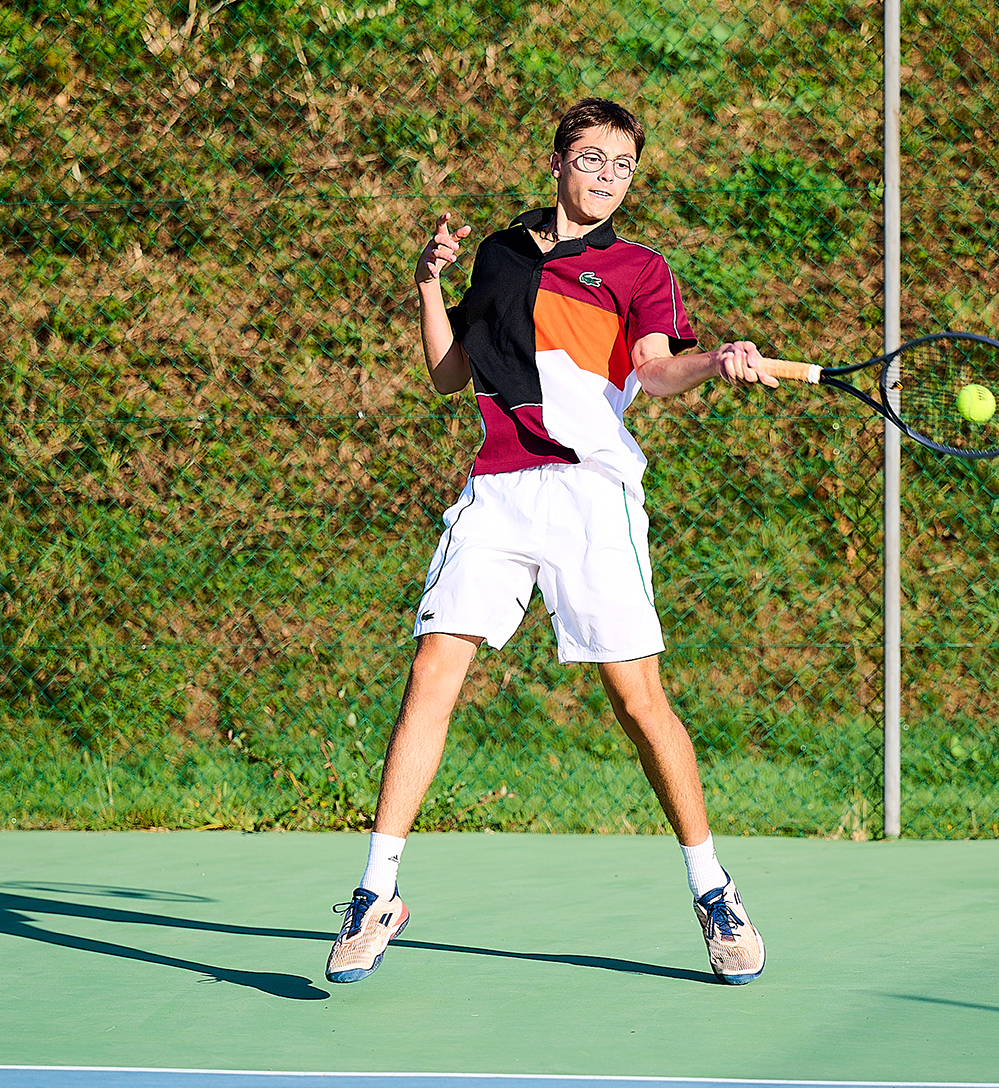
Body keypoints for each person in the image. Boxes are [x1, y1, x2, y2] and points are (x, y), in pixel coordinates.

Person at [325, 97, 777, 987]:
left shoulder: (638, 267)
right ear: (558, 164)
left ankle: (714, 890)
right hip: (496, 490)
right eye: (593, 158)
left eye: (623, 165)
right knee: (430, 675)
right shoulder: (498, 255)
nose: (609, 176)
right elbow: (450, 374)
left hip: (591, 494)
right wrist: (427, 283)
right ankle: (377, 893)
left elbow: (654, 368)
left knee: (638, 702)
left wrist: (714, 359)